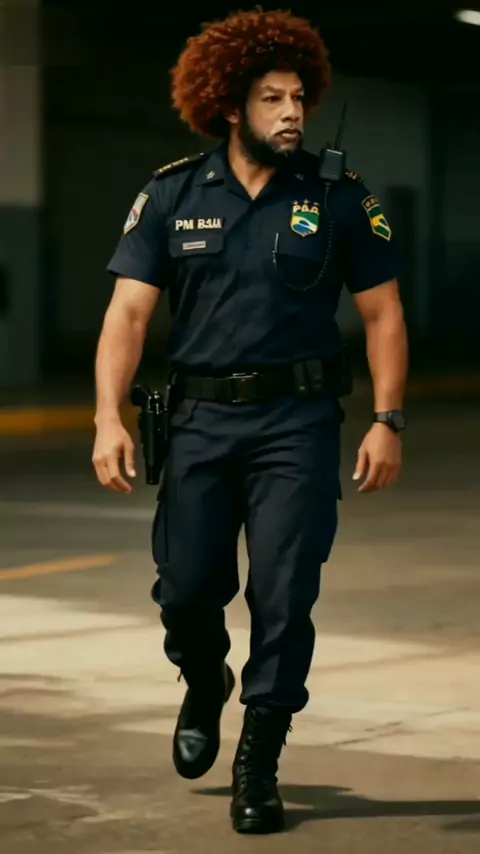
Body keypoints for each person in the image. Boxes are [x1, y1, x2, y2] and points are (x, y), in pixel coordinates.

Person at [92, 8, 408, 835]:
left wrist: (387, 419)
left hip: (296, 424)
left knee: (285, 593)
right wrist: (105, 417)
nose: (292, 113)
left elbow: (382, 314)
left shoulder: (338, 197)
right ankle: (204, 679)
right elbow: (128, 314)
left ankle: (258, 762)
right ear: (231, 107)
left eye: (299, 97)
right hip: (199, 422)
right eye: (273, 99)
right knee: (186, 589)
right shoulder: (172, 194)